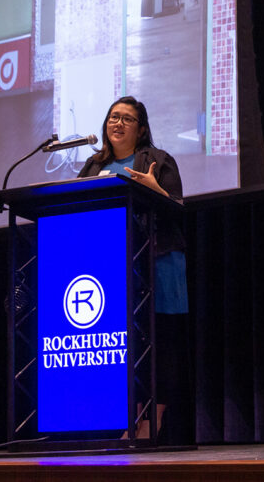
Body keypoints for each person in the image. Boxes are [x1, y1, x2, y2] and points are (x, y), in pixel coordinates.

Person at [78, 96, 189, 442]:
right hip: (109, 271)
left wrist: (156, 191)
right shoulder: (93, 166)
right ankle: (131, 415)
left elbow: (179, 211)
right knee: (126, 345)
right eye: (114, 117)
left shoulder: (158, 161)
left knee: (161, 342)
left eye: (127, 119)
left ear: (140, 129)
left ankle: (152, 420)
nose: (118, 123)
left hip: (158, 263)